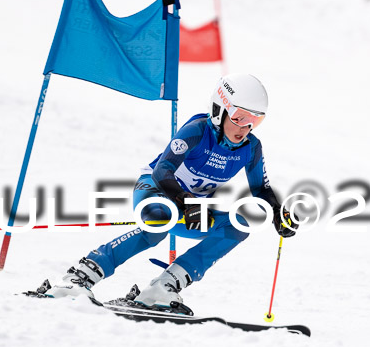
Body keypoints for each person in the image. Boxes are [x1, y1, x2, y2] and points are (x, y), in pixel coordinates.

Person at [43, 74, 297, 308]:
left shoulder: (251, 148)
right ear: (220, 109)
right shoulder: (198, 131)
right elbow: (163, 171)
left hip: (191, 208)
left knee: (238, 225)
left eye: (255, 120)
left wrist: (277, 211)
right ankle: (80, 276)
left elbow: (260, 188)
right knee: (158, 221)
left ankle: (164, 287)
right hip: (154, 190)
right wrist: (189, 203)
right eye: (240, 117)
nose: (246, 128)